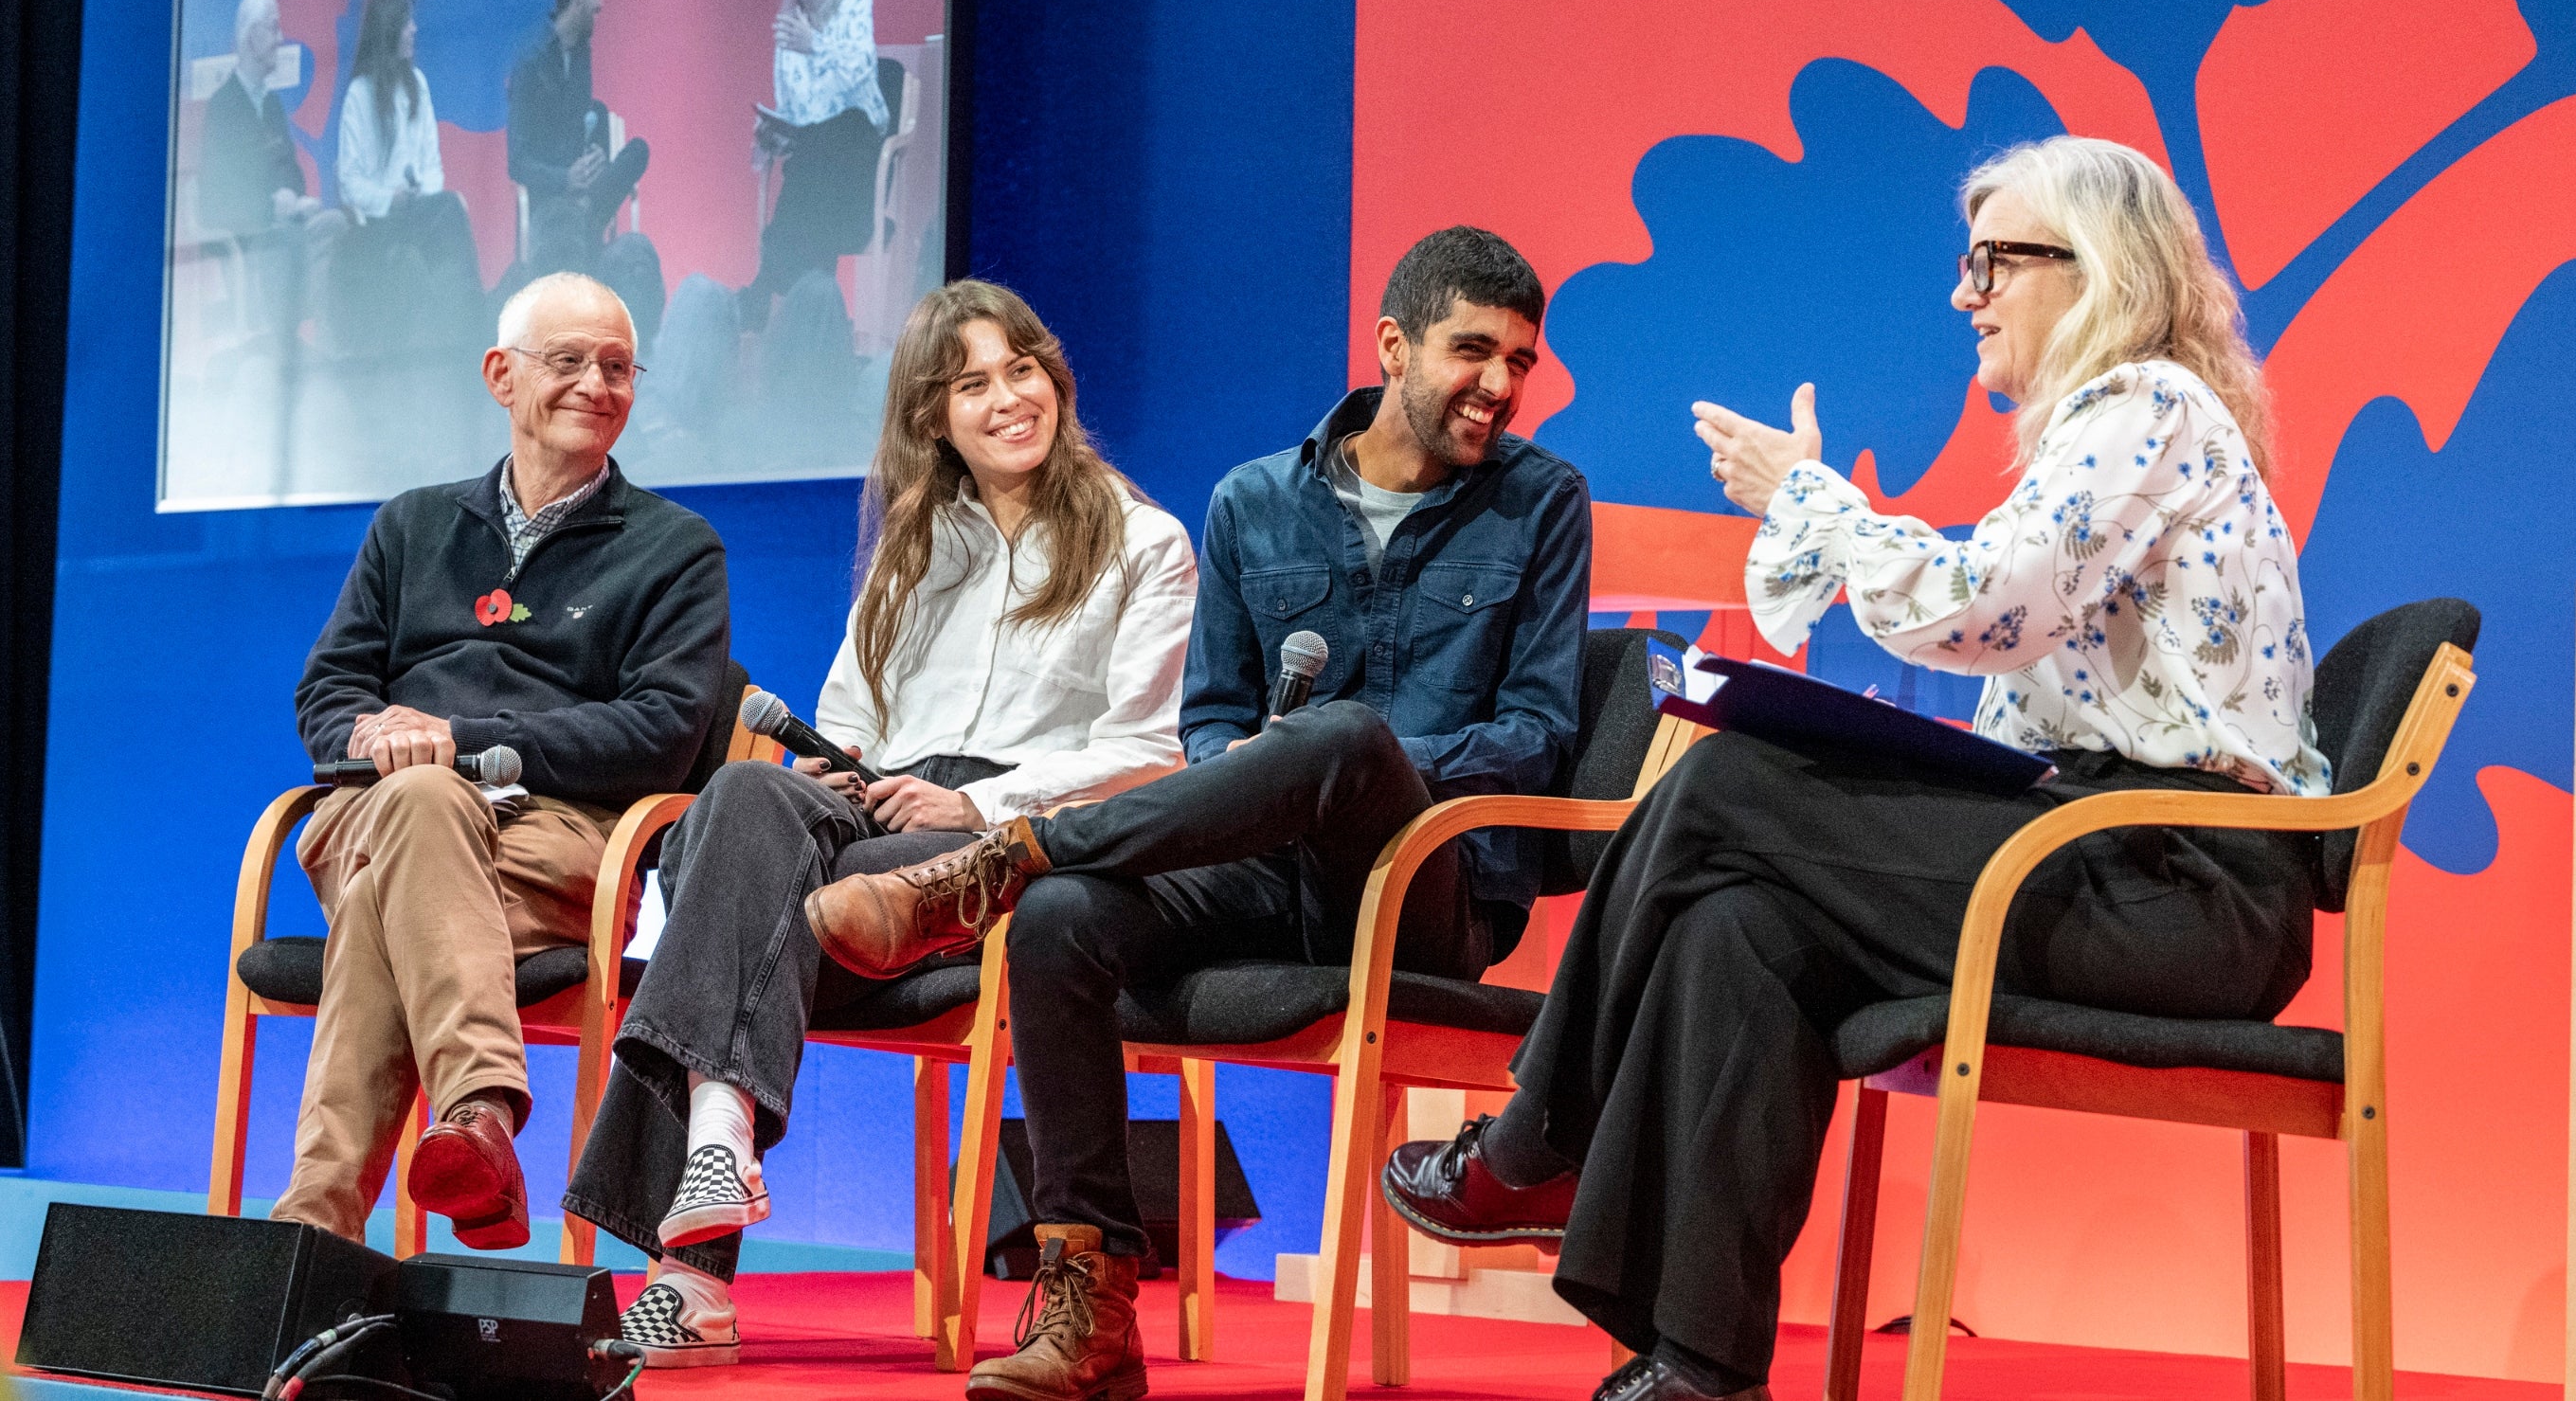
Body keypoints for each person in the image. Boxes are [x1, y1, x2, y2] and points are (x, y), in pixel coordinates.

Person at [1378, 137, 2333, 1401]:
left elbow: (1982, 604)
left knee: (1719, 789)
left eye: (1996, 261)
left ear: (2097, 273)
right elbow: (2003, 665)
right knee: (1742, 922)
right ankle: (1698, 1369)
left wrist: (1815, 500)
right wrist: (1825, 575)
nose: (1965, 293)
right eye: (1969, 260)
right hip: (2093, 852)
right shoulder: (2100, 433)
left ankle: (1539, 1137)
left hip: (2184, 892)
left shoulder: (2146, 408)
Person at [802, 226, 1594, 1401]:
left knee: (1341, 736)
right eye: (1471, 350)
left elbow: (1536, 734)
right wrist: (1269, 780)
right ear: (1392, 346)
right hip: (1263, 870)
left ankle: (996, 859)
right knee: (1066, 920)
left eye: (1520, 361)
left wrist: (1341, 764)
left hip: (1428, 887)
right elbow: (1212, 723)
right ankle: (1092, 1292)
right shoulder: (1254, 503)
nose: (1499, 384)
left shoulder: (1544, 504)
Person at [560, 279, 1198, 1367]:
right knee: (749, 794)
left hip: (1008, 844)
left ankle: (690, 1275)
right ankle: (718, 1144)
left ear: (1055, 377)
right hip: (875, 817)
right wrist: (854, 780)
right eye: (972, 384)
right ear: (932, 419)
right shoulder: (913, 550)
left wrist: (978, 801)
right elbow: (845, 728)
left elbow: (1148, 753)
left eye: (1022, 370)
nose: (1008, 399)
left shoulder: (1144, 541)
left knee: (728, 906)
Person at [278, 272, 730, 1252]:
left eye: (617, 367)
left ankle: (313, 1242)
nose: (595, 385)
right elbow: (327, 696)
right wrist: (376, 738)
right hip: (381, 811)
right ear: (501, 375)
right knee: (415, 806)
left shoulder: (674, 548)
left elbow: (664, 733)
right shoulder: (413, 524)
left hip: (564, 840)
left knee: (379, 898)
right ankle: (480, 1111)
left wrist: (465, 747)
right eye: (568, 362)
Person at [741, 0, 888, 331]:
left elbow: (862, 73)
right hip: (816, 178)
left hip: (859, 163)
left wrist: (816, 43)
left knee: (836, 129)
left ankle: (762, 290)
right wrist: (774, 132)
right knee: (809, 150)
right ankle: (820, 326)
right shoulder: (790, 27)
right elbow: (795, 111)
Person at [507, 0, 661, 348]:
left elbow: (576, 127)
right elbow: (517, 162)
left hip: (585, 195)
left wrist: (593, 157)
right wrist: (566, 178)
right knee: (572, 231)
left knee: (638, 150)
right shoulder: (529, 61)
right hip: (554, 204)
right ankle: (584, 227)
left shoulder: (582, 54)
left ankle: (588, 216)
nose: (600, 3)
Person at [333, 0, 483, 352]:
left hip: (418, 213)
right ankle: (474, 323)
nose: (414, 30)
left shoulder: (418, 84)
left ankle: (465, 330)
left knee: (447, 204)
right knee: (449, 211)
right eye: (407, 24)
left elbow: (432, 164)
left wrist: (421, 194)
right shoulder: (359, 95)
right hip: (379, 222)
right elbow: (350, 181)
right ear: (390, 32)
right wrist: (390, 198)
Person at [195, 0, 342, 360]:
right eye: (274, 30)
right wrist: (271, 207)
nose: (281, 40)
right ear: (252, 37)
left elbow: (292, 174)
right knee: (294, 246)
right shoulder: (223, 109)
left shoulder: (273, 105)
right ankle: (301, 355)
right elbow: (215, 201)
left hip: (286, 226)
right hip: (254, 238)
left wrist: (295, 202)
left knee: (336, 226)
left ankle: (330, 346)